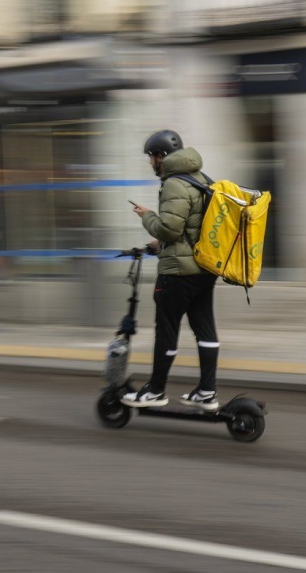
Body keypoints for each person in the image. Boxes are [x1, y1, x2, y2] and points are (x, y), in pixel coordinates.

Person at [121, 130, 221, 411]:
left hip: (178, 272)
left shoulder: (174, 184)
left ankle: (155, 391)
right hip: (203, 268)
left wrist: (147, 216)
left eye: (151, 157)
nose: (151, 163)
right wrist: (158, 244)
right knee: (205, 329)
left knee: (166, 330)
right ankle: (207, 392)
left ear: (160, 156)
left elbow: (170, 228)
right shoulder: (201, 178)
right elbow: (190, 227)